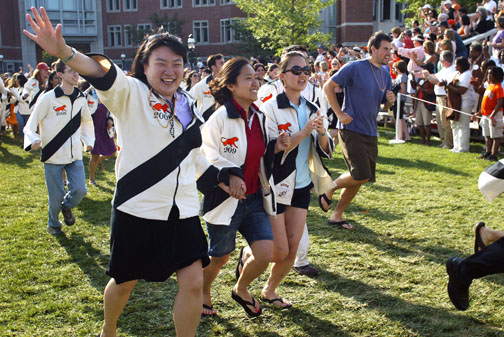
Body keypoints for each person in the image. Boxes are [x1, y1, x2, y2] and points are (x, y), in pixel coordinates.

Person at [24, 7, 241, 337]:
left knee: (194, 282)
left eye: (177, 63)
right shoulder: (130, 93)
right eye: (161, 63)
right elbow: (101, 73)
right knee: (124, 282)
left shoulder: (187, 104)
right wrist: (65, 53)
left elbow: (194, 157)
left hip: (182, 211)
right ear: (145, 65)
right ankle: (108, 329)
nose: (170, 71)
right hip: (136, 210)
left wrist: (220, 177)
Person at [200, 57, 290, 317]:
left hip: (253, 200)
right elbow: (206, 154)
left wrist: (275, 146)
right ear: (231, 86)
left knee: (265, 253)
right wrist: (230, 175)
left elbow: (259, 154)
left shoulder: (259, 117)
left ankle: (241, 289)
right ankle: (204, 292)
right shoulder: (218, 118)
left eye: (256, 77)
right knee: (219, 258)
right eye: (248, 78)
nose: (255, 82)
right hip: (224, 202)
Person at [261, 51, 334, 308]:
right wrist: (303, 132)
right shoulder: (269, 108)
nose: (303, 75)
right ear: (282, 76)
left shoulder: (313, 107)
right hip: (277, 184)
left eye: (306, 70)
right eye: (296, 71)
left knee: (292, 250)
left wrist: (323, 133)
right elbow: (270, 149)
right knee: (277, 250)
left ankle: (270, 290)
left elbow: (325, 149)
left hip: (302, 185)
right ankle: (249, 256)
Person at [319, 31, 395, 229]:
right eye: (385, 49)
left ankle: (337, 215)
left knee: (361, 177)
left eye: (390, 49)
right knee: (360, 174)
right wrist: (339, 114)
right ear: (373, 49)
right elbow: (328, 86)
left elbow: (383, 106)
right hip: (351, 128)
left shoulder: (385, 73)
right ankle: (329, 187)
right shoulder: (355, 67)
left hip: (371, 131)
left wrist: (389, 102)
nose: (389, 52)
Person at [23, 57, 94, 236]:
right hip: (53, 155)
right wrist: (32, 140)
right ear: (60, 75)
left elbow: (86, 121)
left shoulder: (81, 97)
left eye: (76, 71)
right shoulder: (48, 98)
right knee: (55, 196)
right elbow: (30, 124)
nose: (76, 74)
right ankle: (53, 224)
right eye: (71, 71)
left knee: (80, 190)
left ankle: (66, 207)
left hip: (75, 154)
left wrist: (89, 142)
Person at [424, 51, 457, 149]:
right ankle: (443, 141)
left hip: (444, 97)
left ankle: (448, 143)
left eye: (441, 58)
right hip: (438, 97)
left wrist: (428, 76)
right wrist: (428, 74)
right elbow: (436, 76)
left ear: (445, 60)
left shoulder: (452, 70)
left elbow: (439, 82)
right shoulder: (444, 69)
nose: (440, 60)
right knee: (439, 120)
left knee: (445, 121)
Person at [473, 66, 504, 161]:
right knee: (487, 134)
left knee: (496, 135)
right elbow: (485, 102)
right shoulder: (489, 86)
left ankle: (494, 154)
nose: (488, 75)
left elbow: (500, 102)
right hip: (486, 115)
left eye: (490, 74)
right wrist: (479, 112)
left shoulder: (498, 88)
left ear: (495, 76)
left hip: (494, 115)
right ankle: (488, 152)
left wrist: (493, 115)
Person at [447, 57, 476, 153]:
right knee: (454, 124)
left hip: (465, 102)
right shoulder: (456, 73)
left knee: (462, 124)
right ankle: (456, 146)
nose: (455, 66)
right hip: (455, 103)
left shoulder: (467, 74)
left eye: (456, 64)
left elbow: (461, 91)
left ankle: (463, 148)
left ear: (462, 65)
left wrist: (448, 86)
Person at [189, 53, 224, 119]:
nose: (224, 65)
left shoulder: (228, 83)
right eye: (221, 63)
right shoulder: (202, 85)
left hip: (223, 121)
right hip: (206, 123)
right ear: (213, 67)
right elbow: (188, 99)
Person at [391, 60, 411, 142]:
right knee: (399, 118)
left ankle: (399, 136)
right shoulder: (400, 76)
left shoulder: (403, 77)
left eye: (394, 68)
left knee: (398, 118)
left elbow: (402, 90)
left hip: (399, 100)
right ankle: (406, 136)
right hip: (397, 99)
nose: (393, 70)